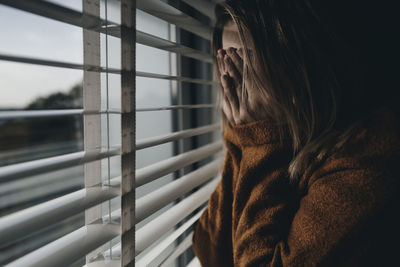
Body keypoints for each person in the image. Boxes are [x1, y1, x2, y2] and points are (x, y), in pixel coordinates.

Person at [191, 0, 400, 266]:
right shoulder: (281, 135)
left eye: (245, 66)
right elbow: (210, 253)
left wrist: (258, 143)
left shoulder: (368, 156)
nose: (235, 83)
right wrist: (243, 139)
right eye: (228, 69)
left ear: (295, 65)